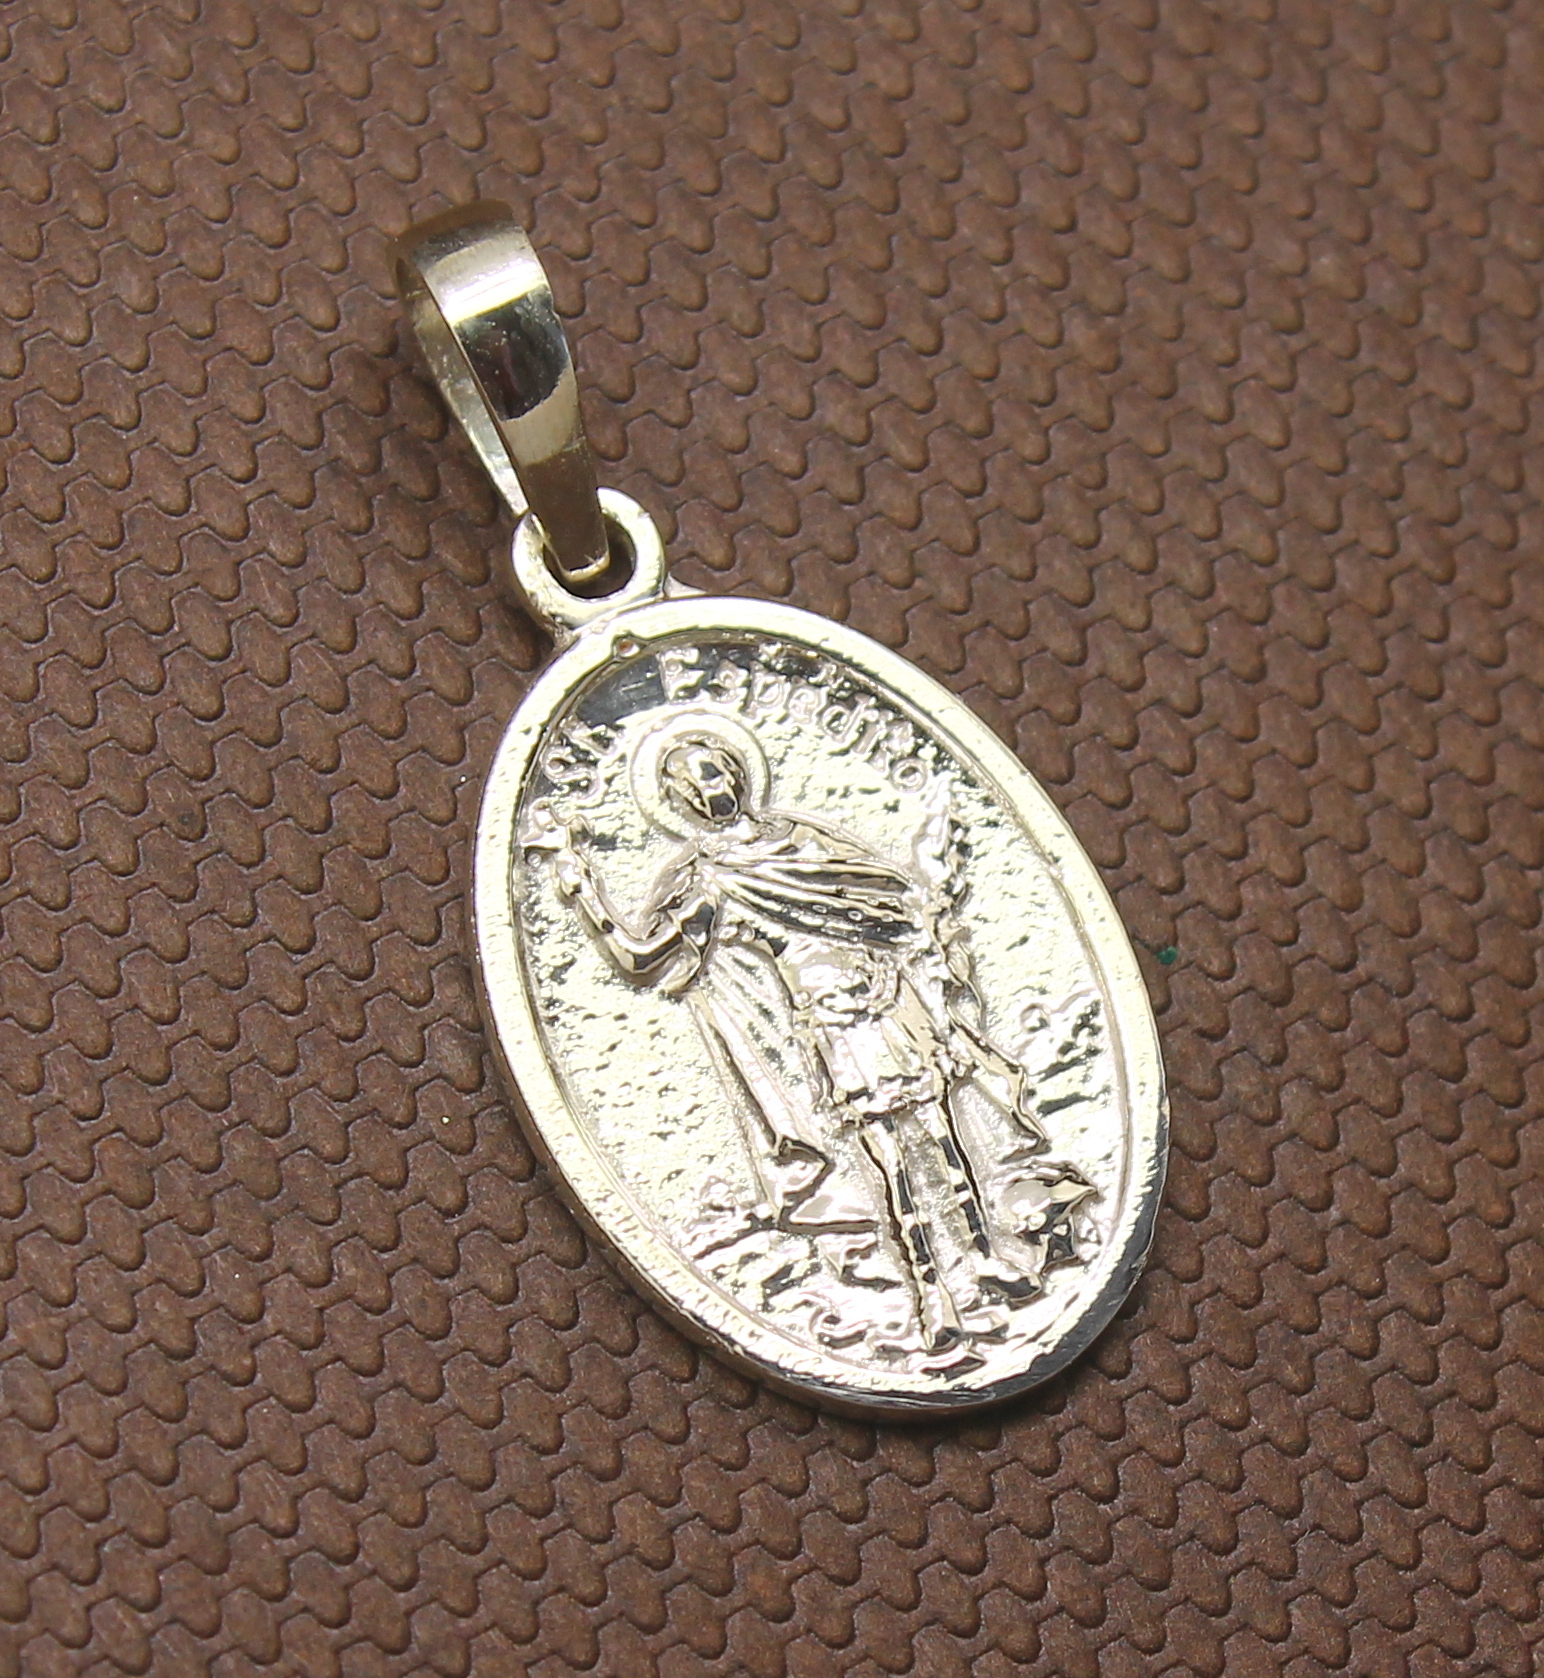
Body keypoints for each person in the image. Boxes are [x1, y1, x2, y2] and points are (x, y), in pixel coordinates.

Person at [531, 713, 1091, 1354]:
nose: (708, 789)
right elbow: (640, 957)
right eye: (690, 785)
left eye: (712, 771)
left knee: (947, 1139)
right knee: (892, 1165)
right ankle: (931, 1295)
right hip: (832, 1023)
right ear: (680, 804)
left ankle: (986, 1256)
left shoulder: (803, 838)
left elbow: (884, 897)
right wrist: (580, 885)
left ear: (736, 772)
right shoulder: (708, 881)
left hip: (891, 1000)